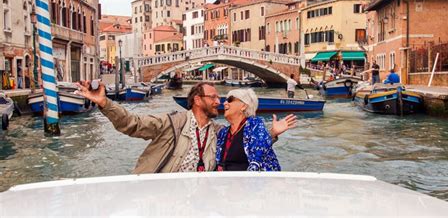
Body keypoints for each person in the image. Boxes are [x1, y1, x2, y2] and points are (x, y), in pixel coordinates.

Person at [75, 81, 296, 174]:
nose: (218, 102)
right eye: (213, 97)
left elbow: (247, 142)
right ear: (198, 100)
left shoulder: (218, 133)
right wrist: (104, 103)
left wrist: (272, 133)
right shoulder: (170, 123)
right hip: (162, 196)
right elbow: (133, 124)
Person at [216, 89, 281, 171]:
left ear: (243, 106)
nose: (225, 103)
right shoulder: (223, 133)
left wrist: (272, 133)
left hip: (249, 181)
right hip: (223, 180)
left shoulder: (254, 124)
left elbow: (259, 153)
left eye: (230, 100)